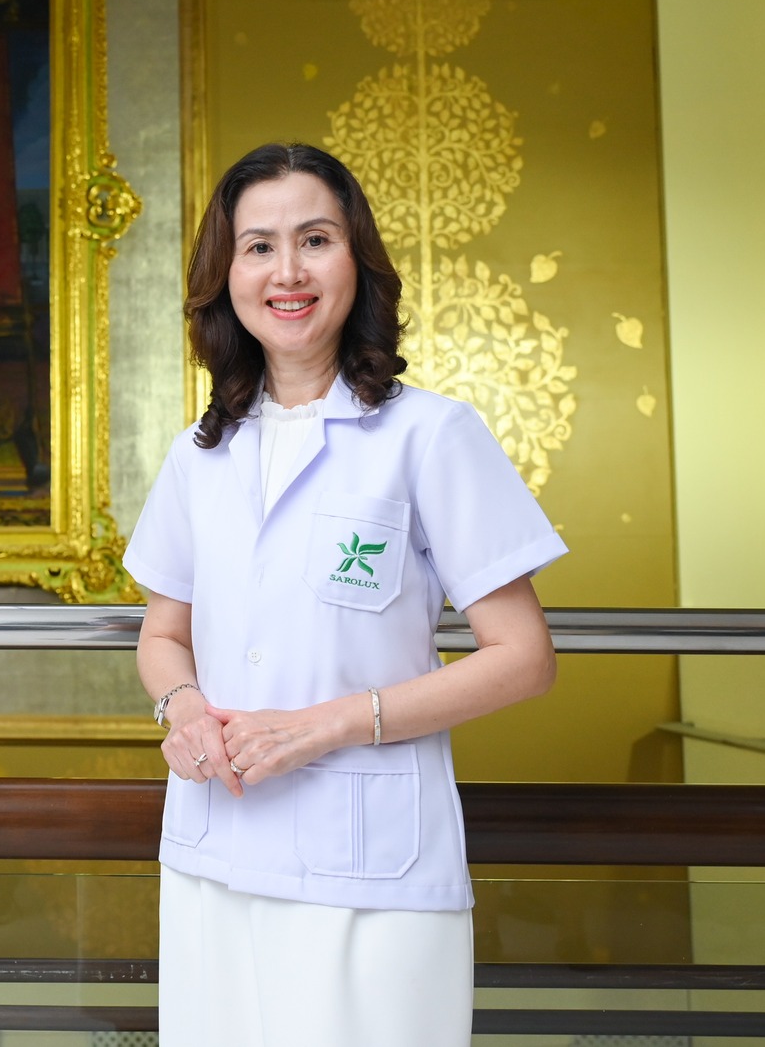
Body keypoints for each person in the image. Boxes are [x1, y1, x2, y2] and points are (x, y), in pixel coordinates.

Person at [125, 143, 563, 1047]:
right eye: (259, 247)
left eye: (315, 240)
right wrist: (184, 708)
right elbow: (163, 634)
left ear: (356, 261)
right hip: (213, 846)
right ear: (226, 276)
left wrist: (323, 727)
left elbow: (524, 659)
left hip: (370, 864)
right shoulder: (199, 456)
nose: (287, 271)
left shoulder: (430, 435)